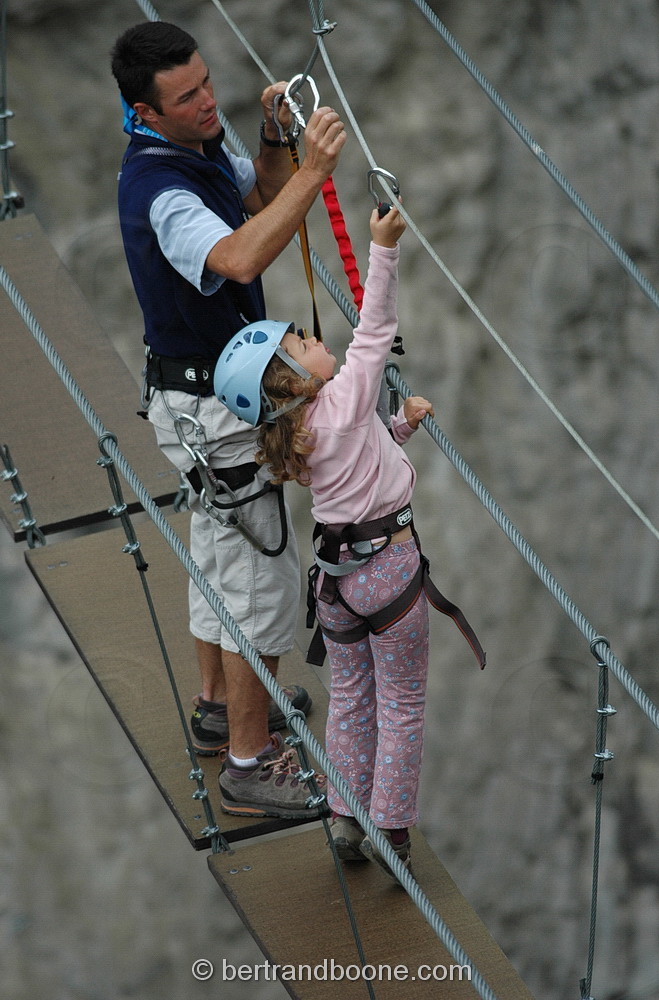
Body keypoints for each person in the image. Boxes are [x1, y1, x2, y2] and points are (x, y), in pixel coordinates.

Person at [111, 21, 346, 818]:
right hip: (215, 410)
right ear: (145, 111)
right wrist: (315, 173)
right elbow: (241, 257)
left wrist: (275, 141)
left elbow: (259, 196)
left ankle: (220, 710)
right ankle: (250, 762)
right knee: (260, 584)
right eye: (188, 97)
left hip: (196, 399)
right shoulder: (162, 193)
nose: (208, 102)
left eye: (207, 83)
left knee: (218, 557)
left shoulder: (198, 148)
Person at [214, 205, 474, 878]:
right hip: (386, 569)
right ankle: (391, 828)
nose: (312, 335)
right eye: (301, 341)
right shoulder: (344, 395)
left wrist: (400, 427)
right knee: (403, 703)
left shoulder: (299, 431)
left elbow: (355, 461)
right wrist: (381, 248)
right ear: (296, 380)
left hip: (336, 586)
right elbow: (376, 330)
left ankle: (343, 816)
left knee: (353, 700)